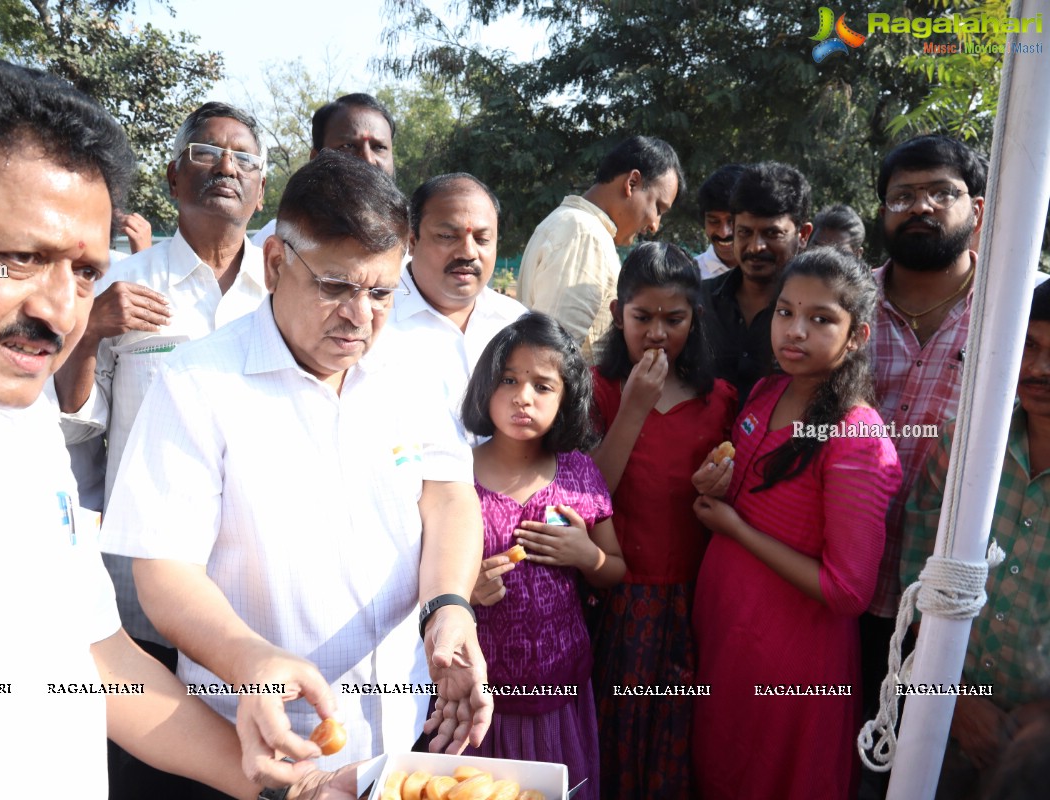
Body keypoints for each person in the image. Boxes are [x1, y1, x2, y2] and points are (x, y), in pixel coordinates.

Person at [0, 59, 353, 800]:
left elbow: (96, 658)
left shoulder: (22, 421)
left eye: (84, 271)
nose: (59, 311)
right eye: (19, 257)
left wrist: (292, 784)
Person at [100, 152, 493, 783]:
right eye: (336, 286)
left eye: (382, 292)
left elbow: (447, 498)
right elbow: (164, 572)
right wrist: (249, 656)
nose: (360, 316)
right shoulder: (197, 383)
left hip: (399, 737)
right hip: (250, 753)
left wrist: (448, 606)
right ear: (277, 262)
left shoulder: (420, 368)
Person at [55, 100, 269, 655]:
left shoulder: (283, 294)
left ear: (261, 191)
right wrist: (88, 333)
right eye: (206, 153)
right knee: (143, 732)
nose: (226, 167)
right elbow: (77, 426)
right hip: (142, 585)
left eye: (243, 158)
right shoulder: (117, 285)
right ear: (174, 175)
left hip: (259, 585)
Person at [691, 248, 901, 799]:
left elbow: (847, 590)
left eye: (821, 319)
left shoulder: (857, 434)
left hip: (791, 655)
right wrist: (715, 484)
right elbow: (748, 493)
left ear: (856, 335)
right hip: (727, 631)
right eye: (785, 312)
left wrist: (737, 529)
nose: (795, 331)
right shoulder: (768, 390)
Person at [588, 242, 738, 799]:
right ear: (616, 316)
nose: (656, 334)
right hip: (620, 594)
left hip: (693, 595)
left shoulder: (718, 399)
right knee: (618, 728)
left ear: (695, 320)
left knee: (678, 731)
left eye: (673, 320)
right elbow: (590, 493)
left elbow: (728, 492)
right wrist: (633, 406)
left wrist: (720, 484)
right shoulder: (597, 390)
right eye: (642, 318)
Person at [460, 312, 624, 799]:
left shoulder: (578, 474)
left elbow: (616, 569)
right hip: (480, 694)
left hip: (560, 691)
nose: (522, 396)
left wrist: (586, 556)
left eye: (542, 385)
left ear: (567, 399)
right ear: (485, 385)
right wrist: (464, 593)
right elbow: (422, 574)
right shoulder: (454, 475)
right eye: (508, 379)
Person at [899, 281, 1050, 799]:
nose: (1039, 369)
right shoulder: (965, 443)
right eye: (1028, 346)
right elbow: (920, 576)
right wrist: (951, 698)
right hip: (941, 715)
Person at [861, 135, 988, 739]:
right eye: (903, 196)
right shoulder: (842, 301)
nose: (921, 208)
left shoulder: (1017, 311)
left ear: (978, 210)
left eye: (942, 192)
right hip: (841, 581)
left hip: (959, 602)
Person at [515, 135, 683, 362]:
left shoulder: (575, 226)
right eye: (658, 208)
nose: (655, 225)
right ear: (632, 183)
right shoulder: (584, 233)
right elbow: (552, 357)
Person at [389, 173, 526, 431]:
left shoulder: (517, 324)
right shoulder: (373, 321)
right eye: (447, 236)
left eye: (482, 239)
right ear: (412, 241)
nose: (468, 252)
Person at [702, 161, 812, 404]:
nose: (755, 246)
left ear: (803, 235)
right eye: (745, 233)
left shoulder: (818, 317)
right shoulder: (699, 302)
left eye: (772, 233)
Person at [251, 92, 395, 247]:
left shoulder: (412, 245)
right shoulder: (278, 237)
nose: (368, 159)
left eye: (379, 147)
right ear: (315, 159)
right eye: (349, 146)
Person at [694, 164, 747, 279]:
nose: (724, 233)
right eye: (714, 221)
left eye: (731, 221)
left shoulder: (776, 273)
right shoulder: (690, 277)